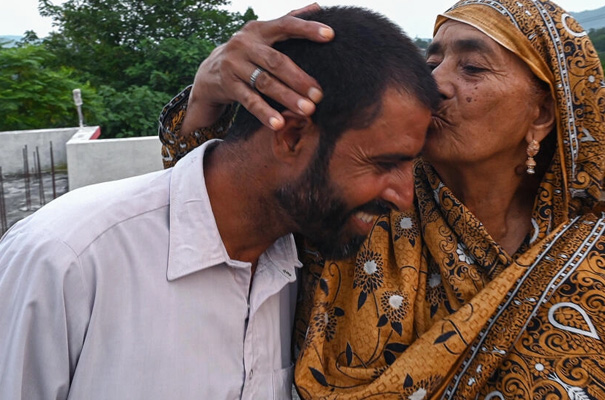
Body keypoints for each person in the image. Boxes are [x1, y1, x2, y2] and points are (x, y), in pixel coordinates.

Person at [159, 1, 605, 399]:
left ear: (541, 114)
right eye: (431, 60)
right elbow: (217, 210)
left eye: (472, 67)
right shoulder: (352, 211)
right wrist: (207, 94)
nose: (434, 83)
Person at [0, 6, 439, 399]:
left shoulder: (313, 276)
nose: (403, 196)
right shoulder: (67, 259)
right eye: (384, 163)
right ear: (290, 136)